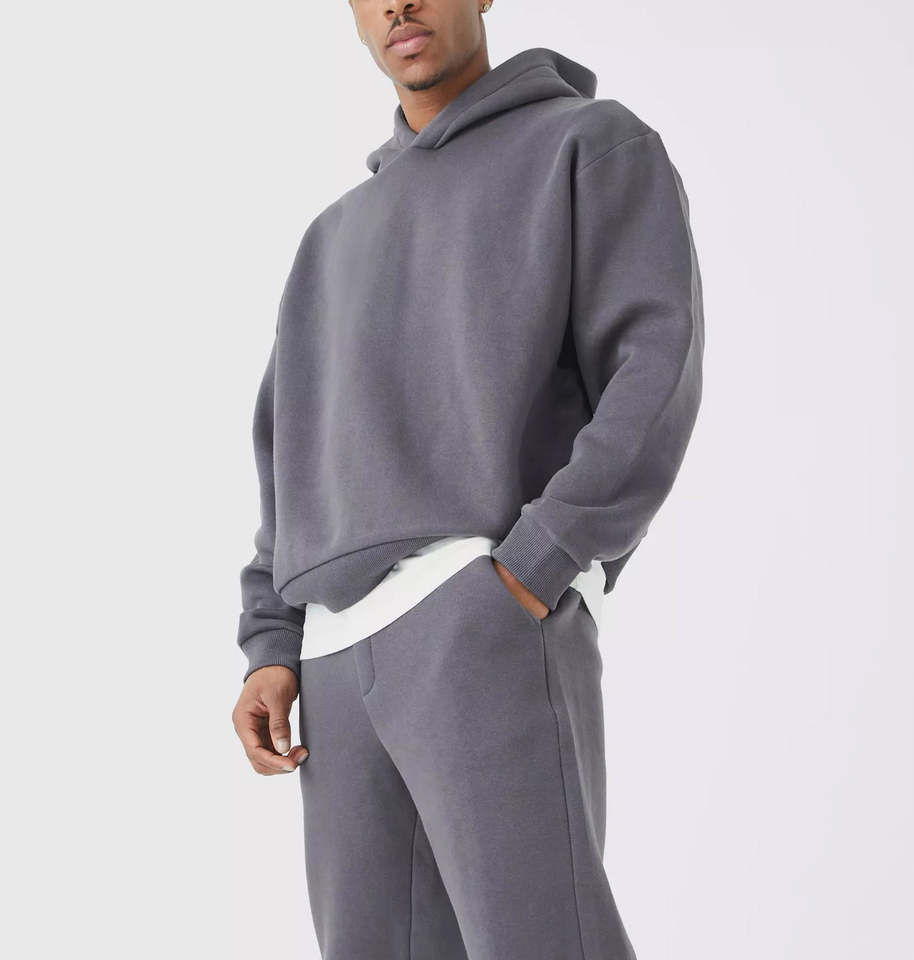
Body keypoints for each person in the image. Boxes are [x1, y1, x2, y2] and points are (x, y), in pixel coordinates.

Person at [231, 2, 704, 957]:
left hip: (479, 621)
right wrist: (272, 643)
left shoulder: (586, 145)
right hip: (332, 667)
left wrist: (539, 562)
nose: (398, 5)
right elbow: (291, 453)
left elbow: (654, 371)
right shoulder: (331, 238)